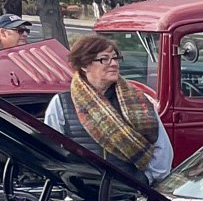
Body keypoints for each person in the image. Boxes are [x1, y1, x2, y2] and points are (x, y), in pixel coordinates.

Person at [43, 34, 172, 182]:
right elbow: (52, 151)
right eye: (104, 59)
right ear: (84, 65)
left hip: (129, 193)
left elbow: (162, 149)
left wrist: (145, 179)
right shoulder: (61, 103)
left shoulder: (139, 101)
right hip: (83, 192)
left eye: (116, 58)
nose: (114, 64)